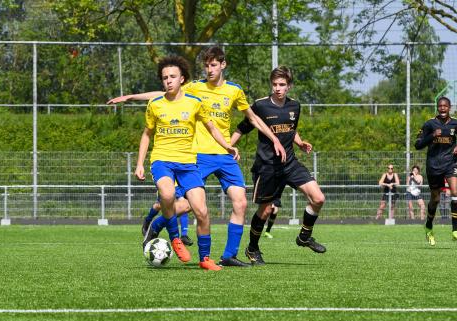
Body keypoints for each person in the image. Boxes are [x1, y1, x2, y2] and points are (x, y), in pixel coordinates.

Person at [110, 46, 285, 267]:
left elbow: (253, 118)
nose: (209, 70)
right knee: (185, 205)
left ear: (223, 65)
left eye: (213, 65)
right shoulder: (194, 87)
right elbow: (162, 95)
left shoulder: (234, 91)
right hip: (198, 155)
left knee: (240, 203)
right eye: (206, 65)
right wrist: (131, 97)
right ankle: (156, 226)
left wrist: (275, 138)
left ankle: (229, 255)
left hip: (224, 154)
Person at [134, 55, 239, 271]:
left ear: (182, 79)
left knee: (201, 210)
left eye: (173, 76)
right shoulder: (155, 105)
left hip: (188, 163)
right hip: (162, 160)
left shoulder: (195, 103)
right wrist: (140, 163)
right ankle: (175, 238)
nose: (168, 81)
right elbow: (146, 135)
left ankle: (205, 258)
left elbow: (211, 127)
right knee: (167, 194)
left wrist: (227, 146)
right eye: (164, 78)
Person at [231, 66, 326, 265]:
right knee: (265, 211)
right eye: (274, 84)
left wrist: (299, 142)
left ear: (289, 86)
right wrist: (227, 147)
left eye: (282, 85)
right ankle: (252, 248)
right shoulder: (260, 106)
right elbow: (242, 127)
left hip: (290, 164)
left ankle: (304, 236)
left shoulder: (295, 106)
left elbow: (292, 129)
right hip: (267, 167)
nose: (278, 88)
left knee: (318, 198)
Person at [415, 96, 457, 245]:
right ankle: (429, 227)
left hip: (450, 163)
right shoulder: (430, 124)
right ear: (437, 107)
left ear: (449, 107)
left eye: (445, 106)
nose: (442, 108)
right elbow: (417, 144)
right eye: (440, 106)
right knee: (435, 199)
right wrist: (432, 135)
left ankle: (455, 231)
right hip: (433, 166)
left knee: (455, 193)